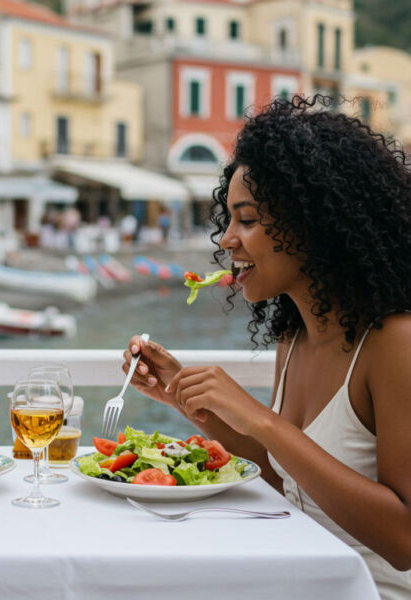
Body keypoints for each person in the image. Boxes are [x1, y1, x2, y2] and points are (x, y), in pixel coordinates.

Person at [123, 96, 411, 599]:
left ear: (315, 223)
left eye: (248, 219)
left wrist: (260, 419)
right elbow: (291, 482)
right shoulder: (294, 335)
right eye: (228, 219)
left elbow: (405, 542)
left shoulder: (394, 343)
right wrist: (188, 400)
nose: (226, 240)